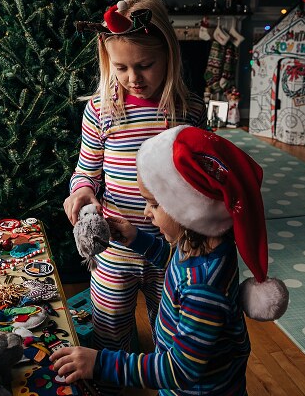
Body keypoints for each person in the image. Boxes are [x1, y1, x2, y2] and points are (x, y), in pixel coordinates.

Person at [53, 125, 290, 394]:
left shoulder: (204, 289)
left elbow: (180, 370)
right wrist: (137, 239)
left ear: (190, 207)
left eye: (154, 203)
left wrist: (100, 363)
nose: (146, 213)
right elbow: (176, 269)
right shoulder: (202, 245)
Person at [64, 0, 206, 360]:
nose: (132, 78)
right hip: (115, 247)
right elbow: (86, 170)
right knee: (109, 328)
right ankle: (114, 381)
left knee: (172, 333)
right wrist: (81, 193)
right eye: (121, 67)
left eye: (144, 65)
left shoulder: (188, 111)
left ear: (169, 56)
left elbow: (202, 182)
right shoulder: (101, 110)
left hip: (173, 249)